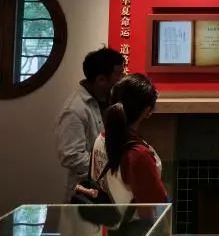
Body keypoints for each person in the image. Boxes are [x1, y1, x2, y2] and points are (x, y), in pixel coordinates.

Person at [90, 73, 168, 220]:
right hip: (134, 227)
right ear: (147, 111)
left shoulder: (100, 139)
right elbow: (150, 210)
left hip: (111, 223)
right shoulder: (139, 154)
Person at [55, 47, 124, 201]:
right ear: (101, 79)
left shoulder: (111, 100)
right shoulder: (74, 109)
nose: (122, 79)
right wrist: (111, 168)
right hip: (85, 195)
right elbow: (71, 156)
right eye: (119, 74)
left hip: (108, 189)